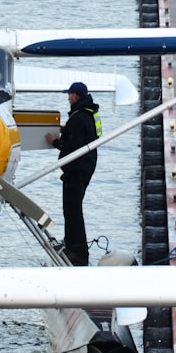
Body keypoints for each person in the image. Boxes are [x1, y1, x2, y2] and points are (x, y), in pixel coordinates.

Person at [46, 81, 101, 266]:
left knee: (72, 210)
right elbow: (84, 135)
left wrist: (55, 142)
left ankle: (78, 250)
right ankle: (71, 244)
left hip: (77, 170)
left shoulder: (77, 118)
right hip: (86, 167)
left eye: (69, 94)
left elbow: (71, 148)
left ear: (76, 96)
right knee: (72, 208)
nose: (68, 98)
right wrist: (66, 129)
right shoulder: (88, 114)